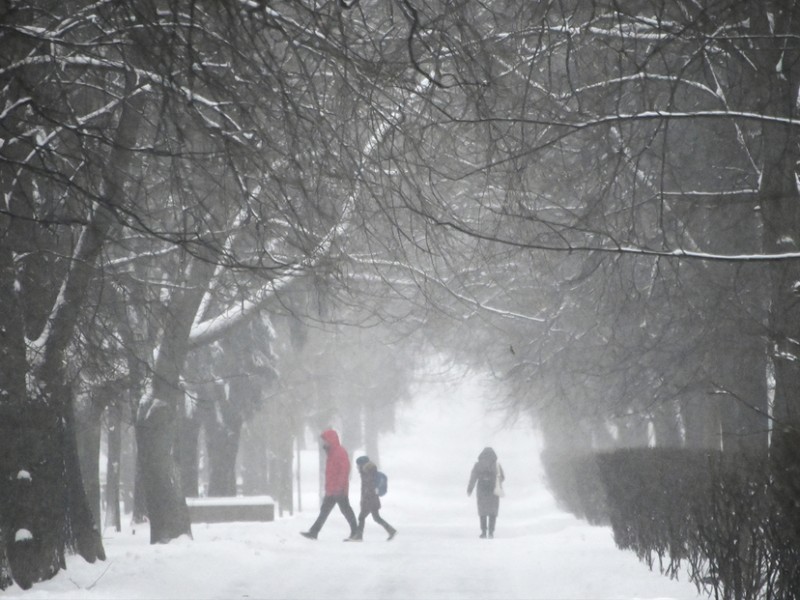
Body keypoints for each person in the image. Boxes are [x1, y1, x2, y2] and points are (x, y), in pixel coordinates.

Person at [300, 429, 359, 540]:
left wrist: (339, 486)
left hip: (338, 489)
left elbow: (344, 470)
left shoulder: (339, 452)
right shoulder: (332, 453)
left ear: (331, 440)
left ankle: (356, 532)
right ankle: (314, 531)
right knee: (326, 511)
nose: (324, 443)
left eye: (325, 441)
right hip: (333, 489)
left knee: (344, 510)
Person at [346, 455, 396, 542]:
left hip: (369, 500)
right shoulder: (368, 472)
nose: (357, 467)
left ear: (362, 465)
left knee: (362, 517)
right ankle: (391, 530)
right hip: (372, 500)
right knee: (376, 518)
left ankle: (359, 536)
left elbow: (368, 488)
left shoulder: (367, 473)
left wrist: (365, 500)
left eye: (358, 465)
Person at [467, 447, 505, 538]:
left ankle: (483, 532)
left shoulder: (478, 465)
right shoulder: (496, 465)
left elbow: (473, 478)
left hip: (482, 490)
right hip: (493, 491)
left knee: (483, 512)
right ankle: (491, 532)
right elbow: (502, 477)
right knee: (493, 512)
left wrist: (470, 489)